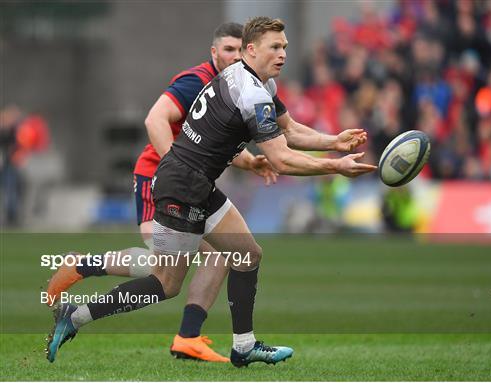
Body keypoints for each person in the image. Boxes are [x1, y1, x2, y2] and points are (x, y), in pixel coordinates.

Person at [46, 16, 377, 367]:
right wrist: (335, 166)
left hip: (196, 183)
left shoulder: (254, 81)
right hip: (183, 187)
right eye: (274, 47)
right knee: (165, 282)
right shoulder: (250, 92)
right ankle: (76, 314)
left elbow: (290, 129)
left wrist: (333, 142)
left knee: (247, 254)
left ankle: (243, 346)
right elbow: (280, 158)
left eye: (284, 47)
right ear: (251, 50)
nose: (282, 54)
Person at [45, 22, 277, 363]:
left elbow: (212, 142)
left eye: (239, 49)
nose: (234, 55)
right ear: (214, 52)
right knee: (162, 268)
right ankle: (83, 266)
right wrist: (179, 170)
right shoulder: (195, 81)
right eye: (227, 49)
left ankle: (188, 336)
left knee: (218, 255)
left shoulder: (238, 85)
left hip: (187, 184)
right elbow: (155, 120)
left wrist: (249, 162)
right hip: (161, 179)